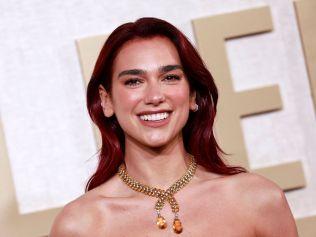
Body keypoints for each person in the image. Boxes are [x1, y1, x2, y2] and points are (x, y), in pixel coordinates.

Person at [50, 17, 298, 237]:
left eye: (170, 77)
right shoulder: (80, 225)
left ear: (192, 95)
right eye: (134, 81)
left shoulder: (257, 199)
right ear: (106, 100)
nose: (155, 96)